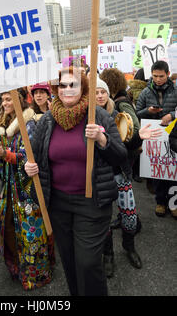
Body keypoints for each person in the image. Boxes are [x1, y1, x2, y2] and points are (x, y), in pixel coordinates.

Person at [25, 66, 127, 296]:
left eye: (74, 84)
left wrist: (102, 138)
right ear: (57, 89)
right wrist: (29, 166)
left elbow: (120, 156)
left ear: (84, 89)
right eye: (63, 85)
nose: (68, 89)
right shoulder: (48, 120)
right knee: (70, 261)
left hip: (91, 202)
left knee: (88, 262)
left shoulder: (97, 115)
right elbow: (35, 155)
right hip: (58, 204)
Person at [0, 91, 54, 290]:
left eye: (9, 99)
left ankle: (37, 275)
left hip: (27, 188)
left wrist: (6, 154)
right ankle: (17, 267)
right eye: (3, 99)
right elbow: (7, 152)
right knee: (6, 226)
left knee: (30, 233)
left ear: (20, 100)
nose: (5, 103)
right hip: (9, 186)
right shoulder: (2, 124)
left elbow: (32, 156)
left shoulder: (29, 124)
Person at [95, 78, 161, 276]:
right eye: (96, 92)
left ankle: (129, 247)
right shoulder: (87, 119)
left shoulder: (119, 116)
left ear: (108, 95)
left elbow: (128, 146)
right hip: (99, 177)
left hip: (121, 174)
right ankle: (108, 255)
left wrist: (139, 136)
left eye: (103, 92)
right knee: (103, 220)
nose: (99, 96)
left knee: (129, 215)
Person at [136, 60, 177, 218]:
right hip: (154, 136)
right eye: (155, 76)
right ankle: (160, 202)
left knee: (172, 171)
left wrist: (172, 115)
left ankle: (173, 204)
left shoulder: (175, 89)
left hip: (173, 134)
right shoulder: (146, 92)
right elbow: (137, 112)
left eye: (161, 76)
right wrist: (149, 111)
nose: (158, 79)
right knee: (158, 171)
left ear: (167, 74)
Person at [100, 68, 142, 184]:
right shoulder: (117, 100)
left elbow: (134, 127)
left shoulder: (121, 103)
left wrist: (123, 138)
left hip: (126, 150)